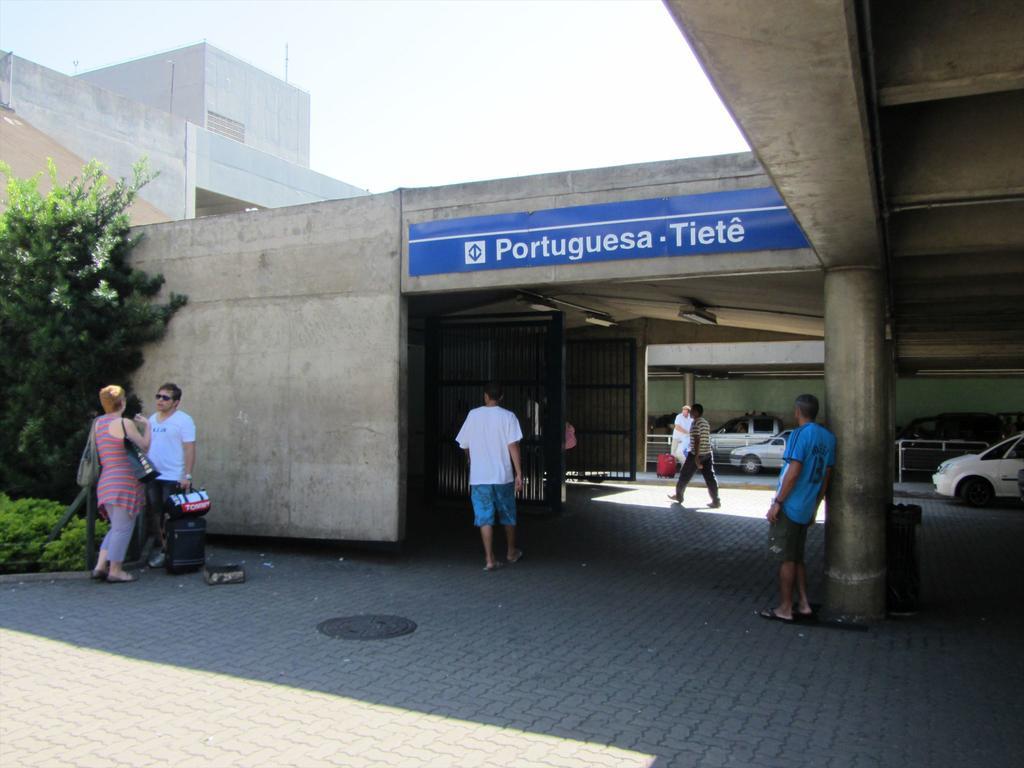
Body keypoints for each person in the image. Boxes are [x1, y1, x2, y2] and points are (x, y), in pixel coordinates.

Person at [760, 394, 836, 623]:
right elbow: (826, 477)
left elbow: (793, 472)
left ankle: (785, 608)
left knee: (786, 559)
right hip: (807, 505)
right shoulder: (829, 438)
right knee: (797, 557)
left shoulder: (799, 435)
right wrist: (816, 505)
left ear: (797, 412)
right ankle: (803, 603)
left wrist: (778, 503)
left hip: (791, 505)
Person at [455, 382, 524, 571]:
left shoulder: (473, 415)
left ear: (485, 396)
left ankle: (489, 559)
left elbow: (464, 444)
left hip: (479, 477)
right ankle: (511, 552)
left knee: (484, 518)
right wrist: (519, 473)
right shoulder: (508, 417)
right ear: (501, 397)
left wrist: (471, 460)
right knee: (508, 515)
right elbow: (513, 446)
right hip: (503, 476)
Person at [91, 385, 151, 583]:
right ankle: (115, 570)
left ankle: (100, 566)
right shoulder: (124, 423)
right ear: (122, 402)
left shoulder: (98, 423)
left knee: (115, 526)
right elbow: (144, 445)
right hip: (124, 481)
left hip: (106, 480)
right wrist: (148, 427)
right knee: (123, 528)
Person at [144, 383, 197, 569]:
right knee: (157, 514)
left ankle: (174, 551)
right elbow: (146, 445)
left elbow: (189, 448)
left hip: (173, 476)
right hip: (154, 476)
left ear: (176, 402)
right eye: (158, 396)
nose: (160, 400)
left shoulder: (184, 420)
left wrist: (187, 476)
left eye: (165, 398)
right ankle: (164, 549)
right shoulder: (151, 419)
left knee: (172, 515)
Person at [667, 403, 720, 508]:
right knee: (710, 477)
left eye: (692, 411)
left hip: (697, 454)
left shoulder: (695, 423)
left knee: (684, 475)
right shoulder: (705, 422)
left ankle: (679, 496)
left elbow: (697, 440)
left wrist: (696, 457)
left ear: (696, 412)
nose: (690, 413)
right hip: (708, 453)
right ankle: (716, 501)